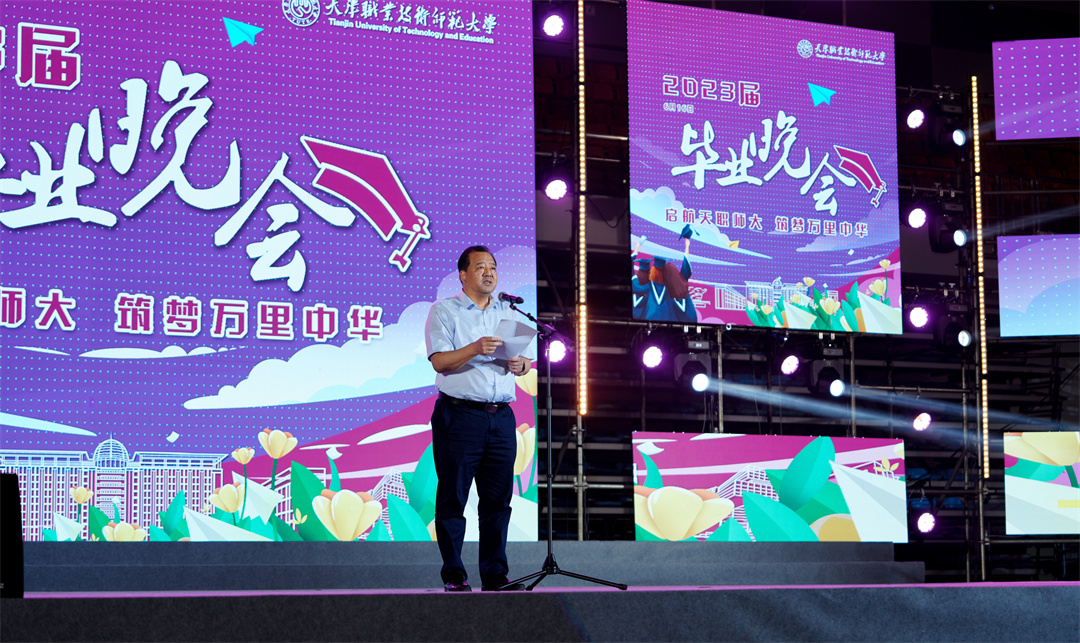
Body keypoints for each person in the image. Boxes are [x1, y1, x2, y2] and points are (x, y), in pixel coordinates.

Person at [424, 245, 532, 592]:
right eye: (481, 267)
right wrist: (474, 348)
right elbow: (440, 361)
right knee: (453, 497)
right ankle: (454, 574)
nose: (489, 273)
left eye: (493, 268)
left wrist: (521, 365)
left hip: (501, 417)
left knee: (497, 501)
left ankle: (495, 574)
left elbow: (524, 361)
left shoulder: (508, 312)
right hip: (459, 415)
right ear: (463, 275)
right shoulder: (445, 311)